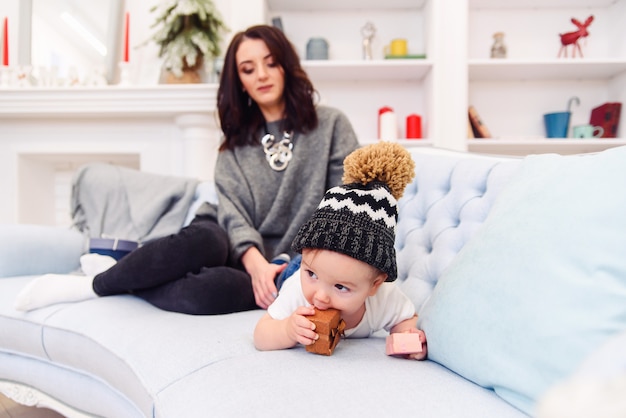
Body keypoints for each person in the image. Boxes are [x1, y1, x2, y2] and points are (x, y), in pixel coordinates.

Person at [14, 25, 359, 314]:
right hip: (230, 241)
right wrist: (255, 265)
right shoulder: (235, 145)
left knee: (206, 293)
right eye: (248, 69)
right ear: (239, 81)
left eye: (270, 63)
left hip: (293, 264)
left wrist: (300, 267)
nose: (262, 75)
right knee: (206, 240)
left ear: (286, 66)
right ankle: (95, 284)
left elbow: (341, 204)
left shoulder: (330, 125)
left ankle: (127, 275)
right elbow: (233, 215)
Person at [254, 142, 428, 360]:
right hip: (295, 271)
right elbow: (261, 335)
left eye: (340, 287)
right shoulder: (299, 292)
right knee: (289, 273)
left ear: (375, 284)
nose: (320, 297)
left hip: (309, 264)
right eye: (313, 276)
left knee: (314, 268)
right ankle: (281, 265)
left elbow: (405, 320)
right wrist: (287, 330)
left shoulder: (384, 298)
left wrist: (410, 340)